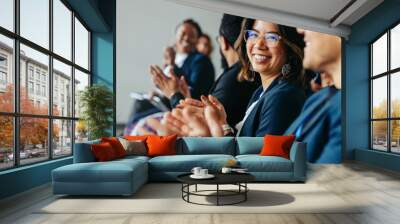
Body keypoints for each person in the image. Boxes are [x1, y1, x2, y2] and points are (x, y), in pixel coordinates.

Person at [163, 19, 307, 137]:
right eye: (253, 35)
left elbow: (260, 164)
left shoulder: (282, 96)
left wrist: (216, 129)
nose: (259, 44)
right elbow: (244, 145)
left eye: (272, 37)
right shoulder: (261, 92)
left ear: (290, 47)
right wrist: (222, 122)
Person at [284, 29, 342, 163]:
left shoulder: (348, 107)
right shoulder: (318, 99)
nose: (300, 29)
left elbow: (325, 182)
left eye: (319, 19)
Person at [150, 19, 215, 101]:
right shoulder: (173, 55)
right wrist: (157, 90)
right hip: (161, 102)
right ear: (176, 35)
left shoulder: (201, 61)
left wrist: (172, 64)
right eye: (183, 33)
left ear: (197, 40)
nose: (186, 38)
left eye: (191, 36)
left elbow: (193, 93)